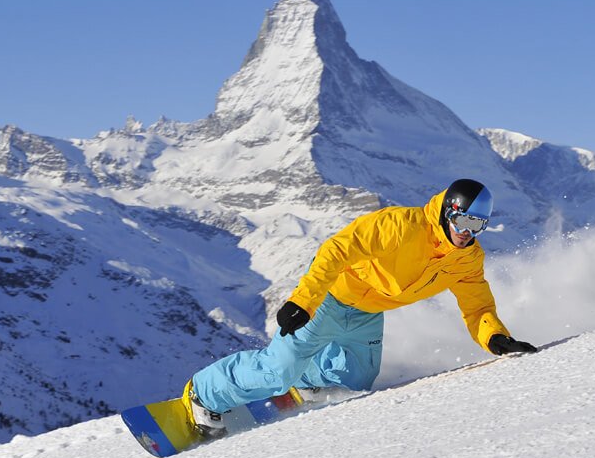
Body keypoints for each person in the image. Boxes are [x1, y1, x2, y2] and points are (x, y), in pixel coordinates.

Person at [181, 178, 538, 436]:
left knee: (356, 382)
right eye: (464, 222)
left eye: (479, 226)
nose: (468, 233)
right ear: (449, 213)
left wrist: (497, 339)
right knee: (278, 371)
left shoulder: (467, 259)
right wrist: (303, 301)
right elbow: (338, 249)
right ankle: (205, 392)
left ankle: (310, 381)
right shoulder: (400, 226)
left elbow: (477, 307)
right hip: (329, 300)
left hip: (367, 314)